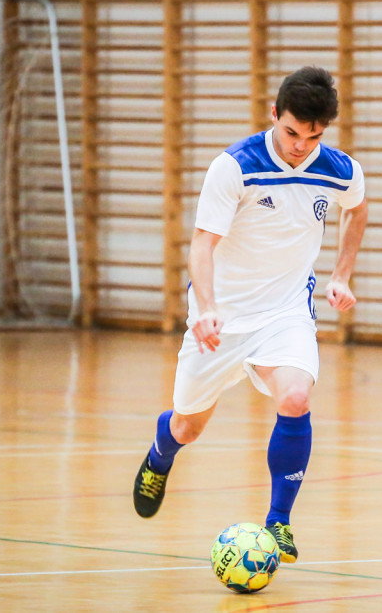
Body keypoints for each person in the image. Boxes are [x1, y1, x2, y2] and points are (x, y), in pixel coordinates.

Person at [132, 66, 368, 563]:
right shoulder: (234, 166)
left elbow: (357, 208)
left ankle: (278, 522)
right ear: (273, 114)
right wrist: (209, 309)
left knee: (297, 397)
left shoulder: (340, 169)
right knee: (187, 427)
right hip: (219, 319)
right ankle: (160, 455)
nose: (302, 145)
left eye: (314, 136)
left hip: (285, 313)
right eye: (292, 132)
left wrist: (341, 274)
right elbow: (202, 245)